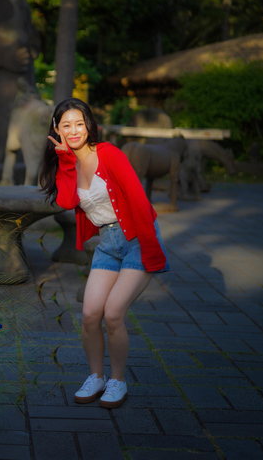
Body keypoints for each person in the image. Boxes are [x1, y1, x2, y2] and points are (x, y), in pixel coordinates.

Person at [39, 98, 169, 409]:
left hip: (138, 237)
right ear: (56, 129)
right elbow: (69, 201)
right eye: (66, 125)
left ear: (90, 125)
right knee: (89, 314)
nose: (74, 130)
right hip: (109, 243)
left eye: (79, 123)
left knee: (113, 314)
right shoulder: (64, 164)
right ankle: (96, 376)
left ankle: (117, 381)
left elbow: (139, 202)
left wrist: (151, 250)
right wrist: (67, 161)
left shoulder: (109, 154)